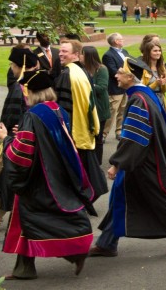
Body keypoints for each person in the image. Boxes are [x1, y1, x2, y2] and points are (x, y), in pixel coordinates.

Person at [90, 58, 166, 258]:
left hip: (145, 162)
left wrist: (116, 163)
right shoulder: (143, 95)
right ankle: (107, 242)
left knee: (161, 200)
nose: (115, 75)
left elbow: (134, 137)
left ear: (131, 77)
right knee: (120, 198)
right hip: (142, 159)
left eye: (120, 72)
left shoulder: (139, 100)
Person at [0, 69, 93, 280]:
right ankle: (24, 268)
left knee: (35, 219)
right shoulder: (58, 110)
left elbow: (22, 154)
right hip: (57, 172)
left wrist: (6, 139)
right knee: (27, 220)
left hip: (38, 177)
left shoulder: (33, 115)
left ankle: (75, 252)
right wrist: (19, 135)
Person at [0, 46, 39, 232]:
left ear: (18, 66)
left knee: (11, 175)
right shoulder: (42, 80)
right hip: (38, 137)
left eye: (12, 65)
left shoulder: (19, 87)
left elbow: (11, 117)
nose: (11, 68)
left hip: (19, 137)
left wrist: (5, 133)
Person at [55, 40, 108, 201]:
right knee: (87, 166)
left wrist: (61, 130)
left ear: (76, 54)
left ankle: (82, 199)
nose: (61, 54)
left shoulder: (67, 74)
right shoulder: (82, 71)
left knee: (79, 169)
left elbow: (63, 107)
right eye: (60, 51)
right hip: (86, 126)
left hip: (75, 129)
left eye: (65, 51)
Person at [80, 47, 112, 162]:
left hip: (99, 108)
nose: (80, 56)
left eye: (82, 54)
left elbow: (102, 87)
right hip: (88, 108)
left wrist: (85, 85)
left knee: (98, 137)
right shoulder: (82, 69)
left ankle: (97, 162)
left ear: (88, 56)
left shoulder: (101, 69)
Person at [102, 33, 130, 141]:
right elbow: (113, 71)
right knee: (112, 111)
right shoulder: (108, 55)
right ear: (116, 42)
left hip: (126, 87)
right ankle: (103, 134)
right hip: (115, 88)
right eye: (121, 39)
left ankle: (119, 131)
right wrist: (126, 74)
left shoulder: (125, 52)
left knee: (123, 110)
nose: (123, 40)